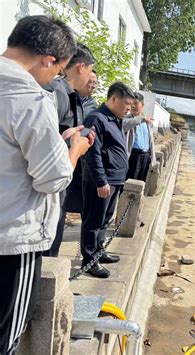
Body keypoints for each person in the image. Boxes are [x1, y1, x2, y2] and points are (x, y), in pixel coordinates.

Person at [0, 15, 92, 354]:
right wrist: (74, 150)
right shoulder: (30, 98)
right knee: (5, 337)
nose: (55, 80)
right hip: (11, 242)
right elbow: (52, 177)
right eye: (57, 72)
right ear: (48, 59)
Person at [43, 43, 96, 257]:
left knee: (55, 233)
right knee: (48, 244)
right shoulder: (57, 93)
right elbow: (46, 141)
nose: (92, 78)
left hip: (61, 176)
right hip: (50, 180)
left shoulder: (69, 95)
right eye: (91, 70)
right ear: (81, 67)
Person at [81, 82, 136, 278]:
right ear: (114, 99)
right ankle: (89, 260)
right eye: (127, 104)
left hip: (116, 179)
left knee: (104, 219)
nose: (129, 109)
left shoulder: (114, 119)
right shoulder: (97, 118)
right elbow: (92, 153)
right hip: (103, 181)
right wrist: (101, 181)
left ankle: (98, 251)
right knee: (93, 220)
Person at [124, 92, 156, 181]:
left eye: (136, 103)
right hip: (133, 156)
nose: (133, 106)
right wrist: (141, 119)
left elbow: (151, 141)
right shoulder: (127, 119)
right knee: (130, 183)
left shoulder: (147, 121)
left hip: (145, 156)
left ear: (142, 105)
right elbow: (124, 125)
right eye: (131, 103)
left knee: (141, 182)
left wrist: (152, 158)